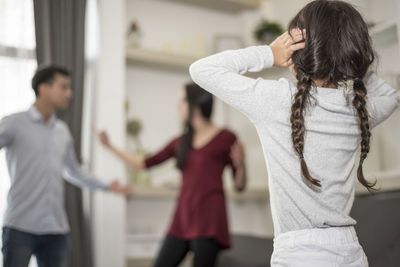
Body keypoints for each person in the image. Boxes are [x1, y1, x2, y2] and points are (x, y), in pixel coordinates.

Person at [189, 0, 399, 266]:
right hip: (350, 253)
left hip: (298, 255)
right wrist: (350, 58)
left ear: (302, 49)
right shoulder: (355, 109)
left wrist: (269, 53)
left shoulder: (277, 100)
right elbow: (390, 97)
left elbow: (201, 70)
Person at [96, 82, 247, 267]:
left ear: (195, 103)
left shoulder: (226, 137)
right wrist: (110, 146)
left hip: (210, 222)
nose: (178, 106)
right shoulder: (181, 141)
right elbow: (143, 163)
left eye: (182, 100)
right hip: (182, 219)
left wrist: (241, 165)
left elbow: (239, 186)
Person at [0, 65, 132, 267]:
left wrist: (107, 185)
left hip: (56, 230)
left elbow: (74, 171)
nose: (69, 93)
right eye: (64, 87)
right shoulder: (14, 124)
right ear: (44, 88)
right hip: (20, 227)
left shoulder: (62, 131)